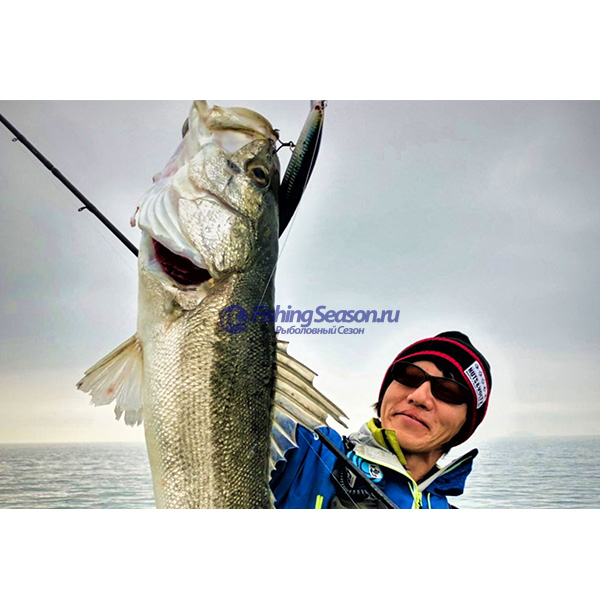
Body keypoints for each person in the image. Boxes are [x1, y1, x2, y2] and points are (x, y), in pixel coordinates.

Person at [270, 331, 492, 509]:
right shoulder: (302, 448)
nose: (419, 397)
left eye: (448, 391)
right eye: (410, 376)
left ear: (465, 424)